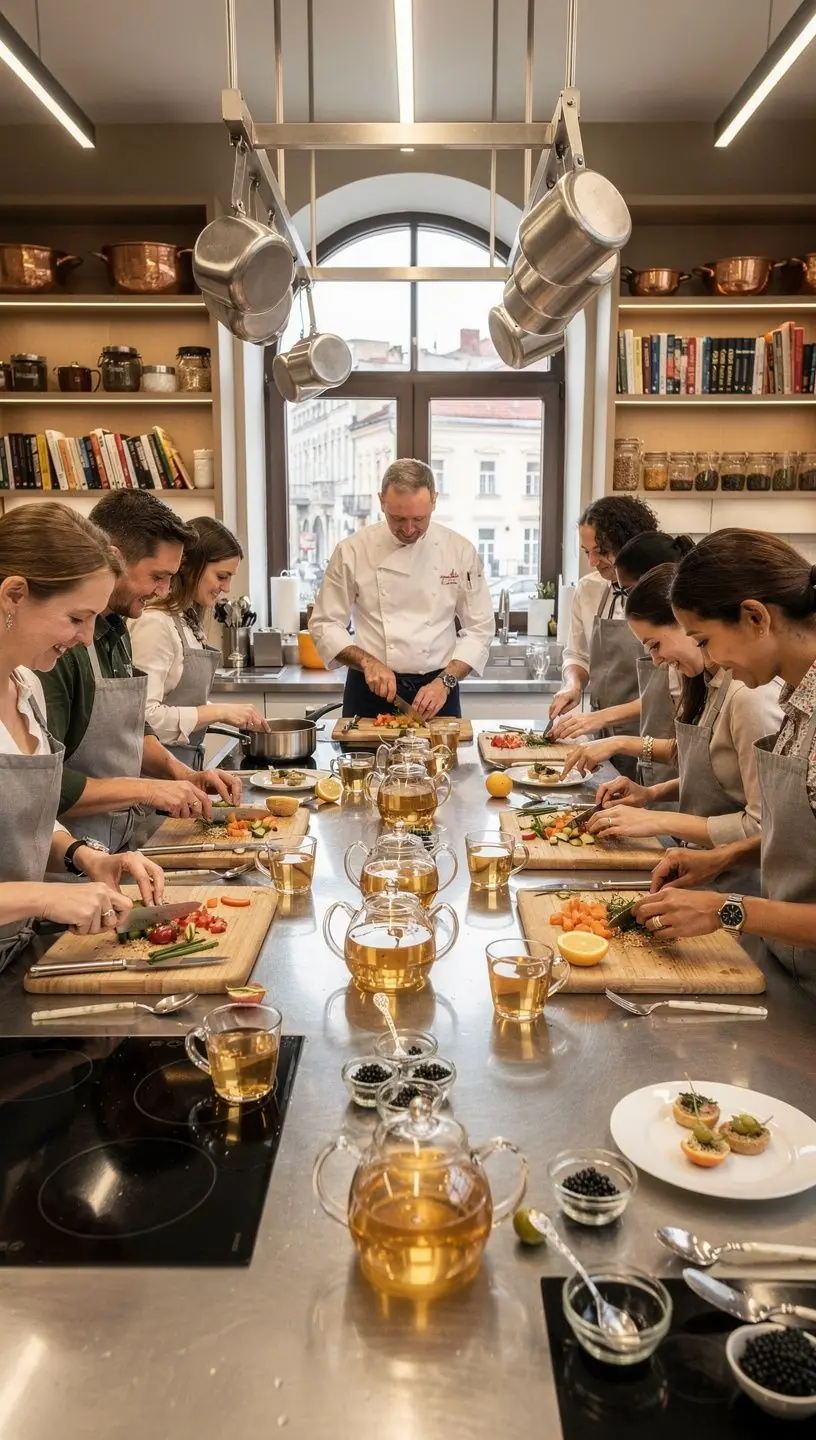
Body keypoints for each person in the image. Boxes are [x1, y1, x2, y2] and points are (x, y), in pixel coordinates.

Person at [632, 531, 816, 999]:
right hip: (789, 969)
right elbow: (797, 840)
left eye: (706, 640)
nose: (708, 659)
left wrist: (726, 909)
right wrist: (722, 858)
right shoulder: (797, 704)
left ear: (755, 617)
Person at [0, 502, 167, 967]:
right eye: (76, 618)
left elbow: (21, 824)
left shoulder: (26, 687)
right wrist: (44, 899)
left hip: (18, 956)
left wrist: (85, 857)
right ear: (13, 594)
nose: (88, 638)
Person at [38, 490, 242, 853]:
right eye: (157, 576)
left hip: (116, 844)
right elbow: (46, 784)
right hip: (68, 860)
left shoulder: (116, 629)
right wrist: (150, 789)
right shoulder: (58, 649)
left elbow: (134, 729)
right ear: (114, 558)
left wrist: (184, 776)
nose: (164, 590)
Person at [576, 563, 782, 894]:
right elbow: (711, 771)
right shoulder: (704, 682)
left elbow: (762, 828)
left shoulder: (748, 697)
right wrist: (651, 794)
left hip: (741, 890)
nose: (656, 661)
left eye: (656, 645)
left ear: (687, 626)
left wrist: (658, 819)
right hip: (700, 876)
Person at [309, 458, 495, 721]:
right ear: (381, 501)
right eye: (397, 518)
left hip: (438, 690)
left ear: (435, 501)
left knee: (442, 762)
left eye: (419, 519)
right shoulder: (352, 550)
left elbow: (480, 628)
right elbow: (324, 624)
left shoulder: (459, 551)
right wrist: (367, 662)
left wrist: (446, 681)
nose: (408, 530)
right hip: (370, 688)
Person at [560, 531, 694, 793]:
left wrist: (611, 729)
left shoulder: (734, 687)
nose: (656, 660)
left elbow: (701, 768)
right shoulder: (680, 657)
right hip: (649, 752)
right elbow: (690, 757)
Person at [130, 516, 269, 769]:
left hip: (184, 768)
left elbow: (179, 704)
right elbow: (144, 720)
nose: (226, 588)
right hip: (154, 778)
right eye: (221, 576)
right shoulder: (154, 624)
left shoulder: (185, 620)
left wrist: (226, 712)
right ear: (191, 566)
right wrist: (219, 713)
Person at [550, 496, 660, 778]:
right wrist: (572, 685)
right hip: (601, 731)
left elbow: (669, 694)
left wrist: (596, 718)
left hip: (654, 733)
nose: (592, 562)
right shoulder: (589, 590)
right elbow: (578, 654)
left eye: (601, 551)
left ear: (630, 544)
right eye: (586, 551)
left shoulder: (660, 593)